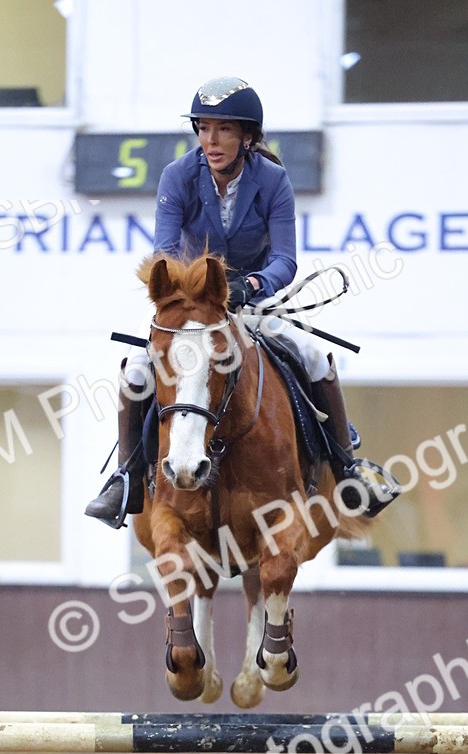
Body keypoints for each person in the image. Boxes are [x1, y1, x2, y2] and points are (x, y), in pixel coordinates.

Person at [85, 75, 363, 528]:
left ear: (247, 136)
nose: (211, 140)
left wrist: (251, 286)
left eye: (224, 130)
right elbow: (166, 253)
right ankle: (127, 478)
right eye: (203, 128)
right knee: (136, 372)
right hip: (192, 306)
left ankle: (347, 467)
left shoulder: (273, 180)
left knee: (315, 360)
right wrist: (196, 293)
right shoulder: (177, 176)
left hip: (251, 305)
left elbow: (285, 259)